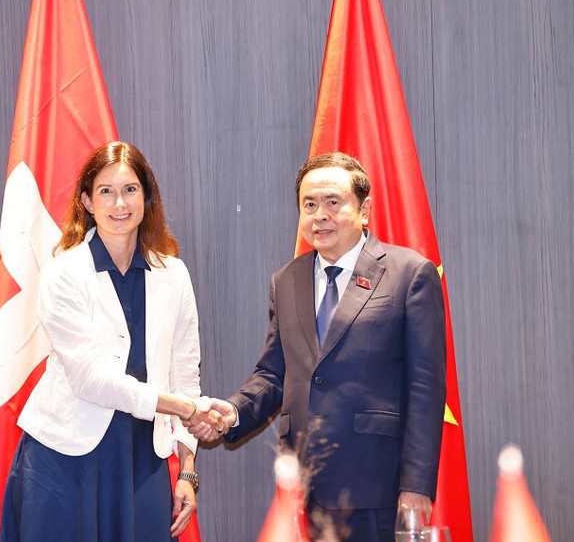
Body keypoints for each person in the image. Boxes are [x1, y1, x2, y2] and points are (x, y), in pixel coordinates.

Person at [188, 152, 446, 542]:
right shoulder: (287, 280)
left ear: (365, 210)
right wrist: (233, 412)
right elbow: (274, 374)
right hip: (305, 484)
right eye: (309, 205)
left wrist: (416, 485)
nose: (319, 215)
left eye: (332, 202)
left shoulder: (409, 274)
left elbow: (426, 389)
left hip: (378, 485)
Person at [0, 141, 227, 541]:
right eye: (105, 191)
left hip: (144, 461)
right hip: (67, 457)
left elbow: (185, 374)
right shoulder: (64, 273)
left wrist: (188, 470)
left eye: (130, 190)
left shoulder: (173, 274)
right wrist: (184, 408)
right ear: (86, 201)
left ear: (146, 197)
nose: (119, 203)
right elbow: (90, 379)